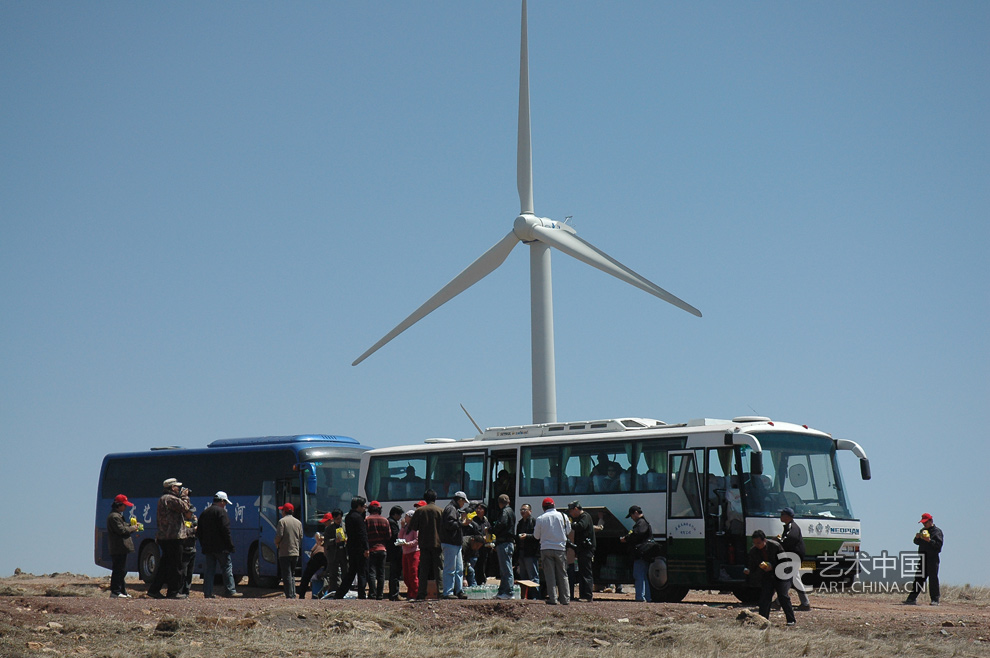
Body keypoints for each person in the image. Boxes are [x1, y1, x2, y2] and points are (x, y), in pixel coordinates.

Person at [147, 477, 191, 599]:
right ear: (172, 488)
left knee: (165, 565)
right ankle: (173, 591)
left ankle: (154, 590)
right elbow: (185, 507)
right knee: (176, 566)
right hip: (173, 537)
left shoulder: (163, 499)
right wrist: (185, 496)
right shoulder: (170, 499)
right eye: (177, 487)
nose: (179, 489)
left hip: (165, 537)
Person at [744, 529, 795, 626]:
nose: (757, 545)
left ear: (764, 540)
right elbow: (751, 565)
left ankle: (791, 619)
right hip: (767, 576)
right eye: (755, 543)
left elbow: (785, 562)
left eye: (759, 543)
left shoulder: (775, 546)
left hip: (782, 574)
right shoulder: (753, 551)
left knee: (783, 596)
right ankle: (762, 620)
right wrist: (749, 571)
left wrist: (773, 566)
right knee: (765, 598)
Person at [198, 491, 241, 598]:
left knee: (209, 571)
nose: (225, 505)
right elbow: (226, 530)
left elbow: (199, 531)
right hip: (221, 548)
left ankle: (208, 593)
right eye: (225, 502)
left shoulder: (205, 512)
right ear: (221, 501)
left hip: (208, 548)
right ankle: (230, 590)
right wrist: (230, 545)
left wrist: (203, 544)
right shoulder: (221, 512)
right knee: (227, 568)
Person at [533, 497, 570, 605]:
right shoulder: (563, 516)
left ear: (543, 508)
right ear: (554, 505)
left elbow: (536, 536)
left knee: (550, 575)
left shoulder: (540, 518)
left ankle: (553, 599)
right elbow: (568, 530)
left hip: (546, 548)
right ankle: (565, 599)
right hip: (560, 548)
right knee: (563, 574)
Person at [409, 490, 443, 600]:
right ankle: (441, 592)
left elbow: (414, 527)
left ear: (425, 498)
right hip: (437, 543)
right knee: (439, 569)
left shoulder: (420, 511)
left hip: (424, 543)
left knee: (423, 570)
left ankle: (421, 593)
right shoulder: (440, 511)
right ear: (435, 498)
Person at [904, 513, 944, 606]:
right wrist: (917, 538)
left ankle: (935, 599)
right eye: (923, 523)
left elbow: (938, 546)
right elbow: (916, 542)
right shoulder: (923, 530)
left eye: (925, 522)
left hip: (932, 558)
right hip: (923, 558)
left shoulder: (937, 532)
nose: (924, 524)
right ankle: (911, 598)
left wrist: (929, 540)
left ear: (931, 521)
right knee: (918, 578)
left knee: (933, 579)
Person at [335, 497, 370, 599]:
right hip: (360, 548)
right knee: (362, 572)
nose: (364, 508)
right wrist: (366, 548)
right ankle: (362, 594)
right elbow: (362, 534)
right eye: (363, 506)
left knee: (352, 571)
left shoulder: (349, 516)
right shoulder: (358, 518)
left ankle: (340, 593)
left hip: (351, 547)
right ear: (359, 506)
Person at [106, 494, 140, 598]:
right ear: (118, 505)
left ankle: (122, 591)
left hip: (121, 547)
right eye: (124, 505)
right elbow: (122, 530)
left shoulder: (118, 516)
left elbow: (124, 526)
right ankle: (115, 591)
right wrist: (133, 528)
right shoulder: (114, 517)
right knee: (118, 570)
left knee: (122, 570)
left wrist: (131, 526)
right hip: (118, 547)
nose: (125, 507)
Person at [778, 507, 810, 611]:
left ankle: (804, 603)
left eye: (782, 514)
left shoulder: (792, 527)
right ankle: (804, 603)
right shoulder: (790, 526)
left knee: (790, 578)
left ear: (787, 516)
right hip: (794, 556)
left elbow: (790, 539)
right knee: (793, 578)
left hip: (794, 556)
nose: (781, 516)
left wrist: (779, 542)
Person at [567, 501, 598, 602]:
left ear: (576, 509)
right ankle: (583, 594)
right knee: (582, 572)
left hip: (586, 549)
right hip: (581, 549)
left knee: (586, 572)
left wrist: (571, 524)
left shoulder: (585, 516)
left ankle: (587, 595)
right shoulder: (581, 517)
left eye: (571, 511)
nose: (571, 514)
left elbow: (581, 526)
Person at [620, 505, 652, 602]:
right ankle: (646, 597)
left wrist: (626, 538)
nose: (632, 518)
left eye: (632, 515)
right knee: (643, 576)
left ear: (636, 513)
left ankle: (640, 597)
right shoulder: (644, 522)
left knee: (638, 575)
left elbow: (637, 534)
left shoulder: (641, 523)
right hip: (645, 553)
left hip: (640, 553)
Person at [441, 491, 469, 599]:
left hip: (455, 543)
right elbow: (449, 524)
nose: (464, 504)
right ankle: (448, 592)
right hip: (450, 542)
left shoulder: (453, 509)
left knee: (458, 569)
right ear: (459, 500)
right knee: (450, 568)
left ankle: (458, 590)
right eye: (463, 502)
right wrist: (462, 523)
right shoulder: (451, 509)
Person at [275, 502, 303, 599]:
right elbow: (301, 536)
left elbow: (279, 536)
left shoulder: (282, 522)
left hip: (284, 552)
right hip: (295, 552)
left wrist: (276, 543)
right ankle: (293, 594)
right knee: (292, 574)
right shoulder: (298, 522)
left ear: (284, 511)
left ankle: (289, 595)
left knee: (286, 574)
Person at [299, 513, 330, 599]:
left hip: (322, 556)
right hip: (321, 555)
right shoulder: (328, 530)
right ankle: (303, 594)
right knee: (308, 575)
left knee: (307, 575)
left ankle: (303, 595)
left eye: (326, 522)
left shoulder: (331, 529)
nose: (324, 524)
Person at [491, 494, 516, 599]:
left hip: (504, 542)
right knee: (505, 568)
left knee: (506, 569)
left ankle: (509, 592)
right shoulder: (511, 511)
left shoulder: (504, 512)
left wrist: (492, 530)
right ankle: (502, 592)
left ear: (499, 503)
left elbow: (501, 524)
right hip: (509, 543)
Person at [365, 501, 391, 600]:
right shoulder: (385, 520)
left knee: (371, 572)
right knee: (381, 573)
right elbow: (389, 536)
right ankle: (380, 595)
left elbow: (364, 535)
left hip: (371, 549)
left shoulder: (366, 520)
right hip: (382, 549)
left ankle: (372, 593)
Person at [516, 503, 541, 599]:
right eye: (521, 510)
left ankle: (536, 596)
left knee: (533, 576)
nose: (523, 512)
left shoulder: (534, 522)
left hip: (531, 553)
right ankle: (525, 596)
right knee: (523, 576)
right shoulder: (520, 523)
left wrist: (527, 536)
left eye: (525, 510)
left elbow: (537, 536)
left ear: (530, 511)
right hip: (522, 552)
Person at [321, 509, 347, 597]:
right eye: (337, 519)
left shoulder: (345, 526)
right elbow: (326, 541)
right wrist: (334, 541)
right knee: (333, 573)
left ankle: (344, 590)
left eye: (340, 518)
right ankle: (333, 591)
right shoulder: (329, 529)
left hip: (343, 552)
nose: (339, 521)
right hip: (333, 553)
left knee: (345, 572)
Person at [398, 508, 420, 599]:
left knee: (413, 573)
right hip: (405, 552)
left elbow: (417, 539)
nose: (404, 518)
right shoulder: (406, 527)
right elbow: (400, 536)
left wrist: (409, 544)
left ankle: (415, 593)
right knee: (406, 574)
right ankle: (410, 592)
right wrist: (402, 527)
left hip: (413, 552)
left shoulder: (415, 528)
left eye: (406, 516)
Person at [178, 506, 198, 596]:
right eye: (191, 512)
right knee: (183, 572)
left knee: (190, 572)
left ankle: (187, 591)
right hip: (185, 549)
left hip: (192, 548)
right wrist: (194, 529)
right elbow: (184, 531)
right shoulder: (181, 520)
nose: (192, 514)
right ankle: (180, 590)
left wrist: (196, 524)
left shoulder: (193, 520)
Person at [387, 505, 405, 600]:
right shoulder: (392, 523)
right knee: (395, 573)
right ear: (395, 514)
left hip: (391, 551)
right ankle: (394, 594)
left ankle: (393, 593)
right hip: (395, 552)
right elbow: (395, 536)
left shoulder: (389, 521)